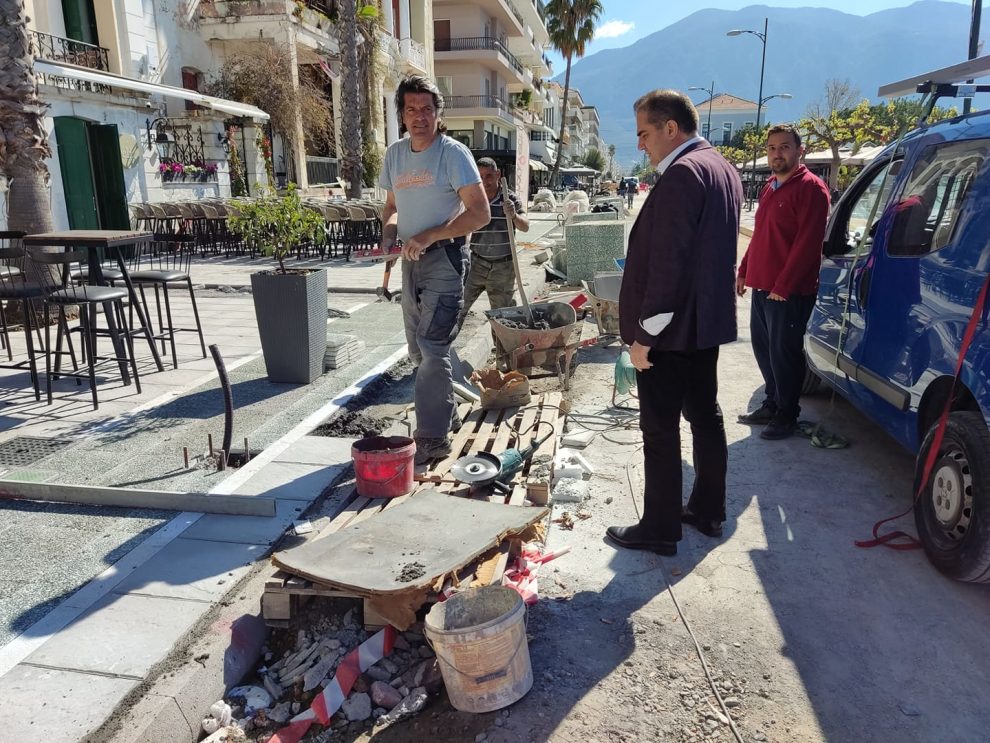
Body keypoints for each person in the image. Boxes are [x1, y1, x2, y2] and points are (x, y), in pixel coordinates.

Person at [606, 89, 742, 557]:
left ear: (671, 129)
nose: (641, 145)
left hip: (672, 331)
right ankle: (708, 510)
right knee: (706, 417)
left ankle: (660, 528)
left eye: (644, 134)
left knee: (659, 429)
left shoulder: (683, 175)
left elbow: (668, 267)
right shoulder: (722, 168)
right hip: (703, 327)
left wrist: (644, 338)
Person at [378, 75, 490, 464]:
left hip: (445, 258)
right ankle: (446, 412)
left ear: (438, 113)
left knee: (431, 347)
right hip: (409, 262)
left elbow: (479, 213)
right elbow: (391, 208)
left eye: (428, 109)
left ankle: (432, 437)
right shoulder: (394, 154)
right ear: (402, 115)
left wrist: (430, 235)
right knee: (417, 350)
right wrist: (389, 234)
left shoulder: (453, 154)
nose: (420, 116)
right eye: (412, 109)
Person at [736, 124, 830, 440]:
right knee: (765, 351)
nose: (778, 153)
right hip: (763, 286)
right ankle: (772, 404)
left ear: (799, 151)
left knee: (784, 354)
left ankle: (787, 415)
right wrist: (744, 270)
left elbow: (808, 244)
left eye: (785, 147)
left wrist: (783, 285)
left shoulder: (812, 189)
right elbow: (761, 235)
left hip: (788, 293)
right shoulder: (770, 187)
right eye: (772, 148)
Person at [461, 158, 529, 320]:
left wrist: (513, 215)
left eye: (489, 175)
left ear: (498, 174)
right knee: (458, 307)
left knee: (502, 315)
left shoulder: (510, 199)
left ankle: (500, 345)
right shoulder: (473, 199)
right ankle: (446, 344)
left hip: (503, 267)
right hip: (476, 263)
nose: (485, 181)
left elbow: (525, 226)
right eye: (481, 176)